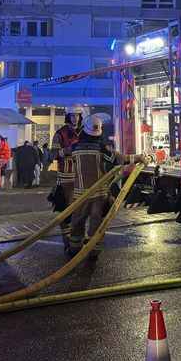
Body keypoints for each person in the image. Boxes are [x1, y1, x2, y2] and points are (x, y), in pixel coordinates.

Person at [62, 115, 148, 261]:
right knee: (97, 224)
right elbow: (121, 159)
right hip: (99, 194)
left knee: (77, 223)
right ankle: (94, 253)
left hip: (80, 195)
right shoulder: (101, 148)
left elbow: (59, 154)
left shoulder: (75, 148)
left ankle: (74, 250)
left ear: (84, 130)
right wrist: (140, 158)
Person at [51, 104, 84, 253]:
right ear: (67, 116)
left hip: (82, 177)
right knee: (66, 212)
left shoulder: (85, 132)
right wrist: (70, 150)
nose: (75, 118)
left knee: (82, 211)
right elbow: (53, 155)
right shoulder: (60, 133)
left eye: (77, 115)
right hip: (66, 179)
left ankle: (78, 241)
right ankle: (67, 243)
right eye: (72, 115)